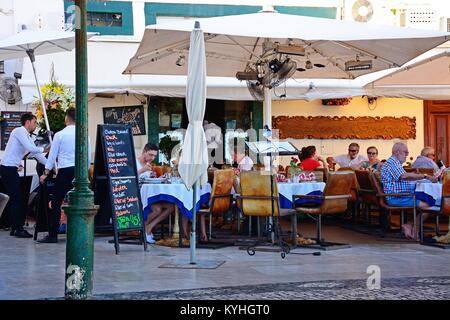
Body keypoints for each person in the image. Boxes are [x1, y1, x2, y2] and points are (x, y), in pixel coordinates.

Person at [38, 107, 89, 243]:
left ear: (67, 118)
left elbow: (52, 156)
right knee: (80, 202)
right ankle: (81, 233)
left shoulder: (60, 135)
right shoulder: (84, 134)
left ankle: (53, 234)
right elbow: (88, 156)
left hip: (65, 171)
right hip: (80, 172)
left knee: (56, 202)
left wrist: (45, 173)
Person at [0, 113, 48, 238]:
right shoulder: (19, 131)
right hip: (8, 168)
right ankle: (18, 229)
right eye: (34, 122)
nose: (35, 125)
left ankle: (15, 227)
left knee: (18, 199)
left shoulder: (26, 135)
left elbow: (35, 154)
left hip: (11, 168)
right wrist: (46, 149)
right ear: (28, 122)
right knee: (17, 199)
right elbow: (31, 148)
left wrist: (52, 165)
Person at [380, 142, 436, 239]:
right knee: (429, 205)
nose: (407, 155)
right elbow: (404, 176)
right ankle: (414, 228)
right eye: (405, 152)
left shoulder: (393, 162)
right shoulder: (393, 162)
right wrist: (424, 176)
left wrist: (416, 178)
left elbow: (403, 178)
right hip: (396, 197)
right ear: (397, 152)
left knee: (429, 198)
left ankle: (410, 225)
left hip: (401, 195)